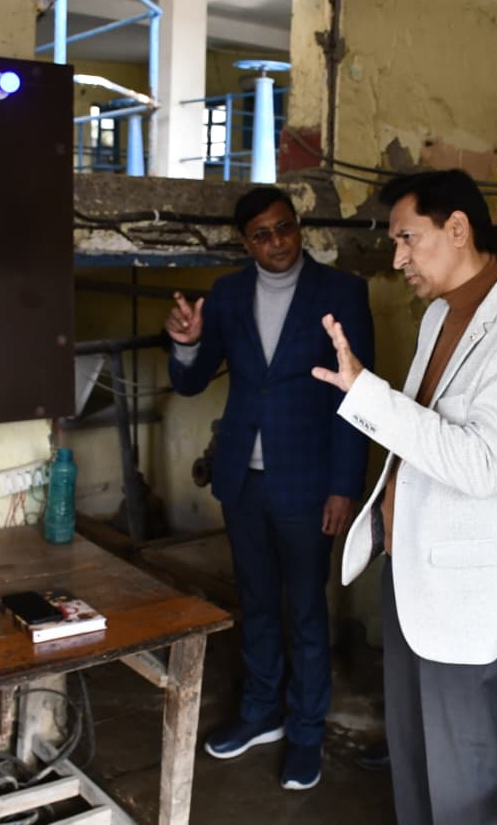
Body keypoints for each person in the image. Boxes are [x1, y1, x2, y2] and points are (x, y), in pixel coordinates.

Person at [312, 169, 497, 824]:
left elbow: (482, 465)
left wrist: (367, 394)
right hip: (410, 566)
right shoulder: (438, 316)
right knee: (414, 756)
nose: (398, 258)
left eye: (407, 238)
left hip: (465, 587)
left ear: (457, 228)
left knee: (463, 777)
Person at [165, 186, 374, 790]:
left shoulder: (342, 291)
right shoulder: (228, 294)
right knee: (255, 602)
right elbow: (192, 382)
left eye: (285, 227)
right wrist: (187, 343)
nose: (277, 242)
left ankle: (306, 731)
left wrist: (344, 486)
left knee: (305, 608)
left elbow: (356, 398)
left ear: (297, 227)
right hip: (242, 478)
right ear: (245, 242)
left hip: (309, 481)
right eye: (262, 234)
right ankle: (261, 713)